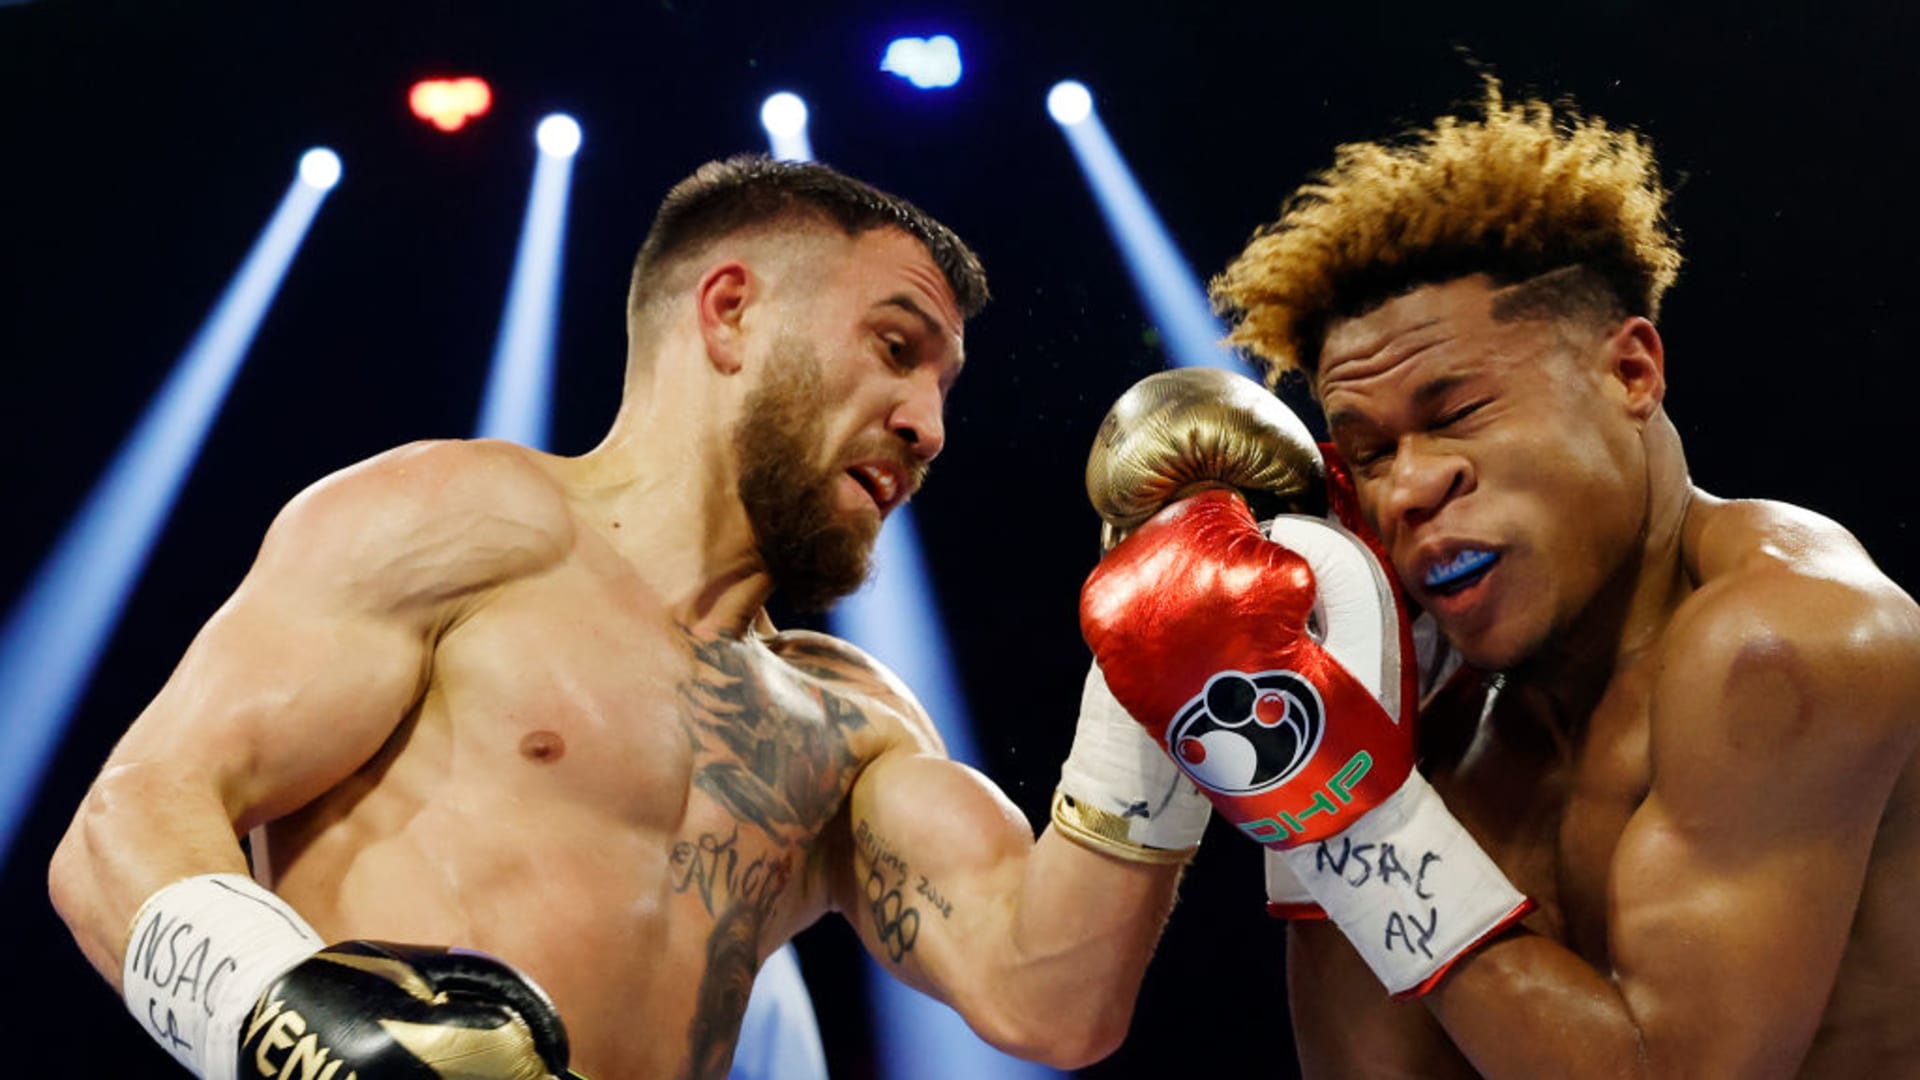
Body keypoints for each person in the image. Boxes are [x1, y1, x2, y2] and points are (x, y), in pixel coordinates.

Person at [47, 155, 1200, 1080]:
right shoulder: (462, 522)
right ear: (732, 312)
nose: (927, 426)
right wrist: (282, 1020)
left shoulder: (850, 724)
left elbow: (1048, 998)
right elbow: (124, 823)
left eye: (944, 389)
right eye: (896, 350)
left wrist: (1155, 679)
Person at [1078, 84, 1920, 1077]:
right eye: (1371, 452)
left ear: (1632, 373)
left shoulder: (1786, 641)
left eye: (1458, 413)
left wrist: (1348, 809)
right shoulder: (1452, 726)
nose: (1411, 488)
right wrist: (1321, 757)